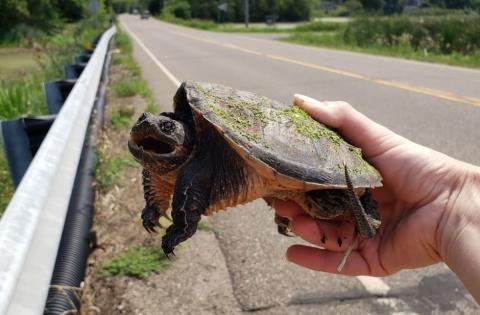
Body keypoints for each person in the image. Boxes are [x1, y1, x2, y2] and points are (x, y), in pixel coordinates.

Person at [271, 94, 480, 303]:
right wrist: (452, 207)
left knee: (326, 209)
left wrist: (452, 205)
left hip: (337, 179)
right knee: (324, 209)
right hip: (332, 176)